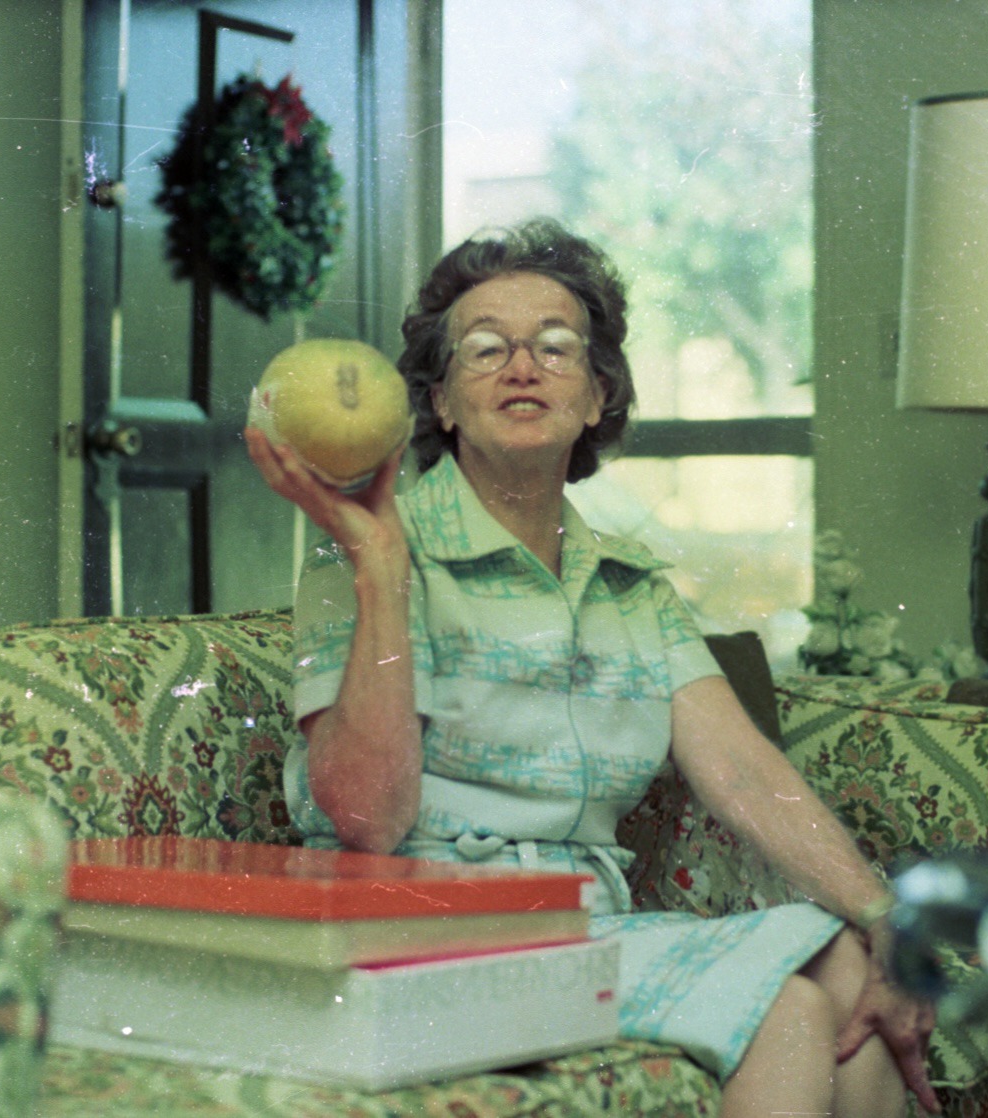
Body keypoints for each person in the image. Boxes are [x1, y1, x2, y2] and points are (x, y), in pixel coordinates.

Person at [245, 218, 939, 1118]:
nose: (522, 367)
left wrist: (885, 915)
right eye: (486, 349)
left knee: (859, 971)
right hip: (417, 927)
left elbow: (739, 768)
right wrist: (383, 575)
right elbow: (368, 818)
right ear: (442, 403)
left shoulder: (631, 587)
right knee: (792, 1006)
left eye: (556, 348)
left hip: (576, 926)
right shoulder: (364, 554)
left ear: (597, 396)